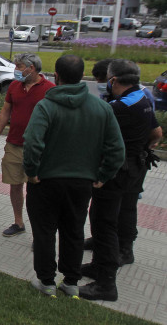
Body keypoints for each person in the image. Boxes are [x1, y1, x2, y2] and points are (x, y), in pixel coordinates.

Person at [23, 54, 125, 299]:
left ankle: (46, 282)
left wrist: (32, 171)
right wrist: (103, 175)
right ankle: (70, 282)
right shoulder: (101, 108)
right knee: (74, 231)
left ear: (56, 76)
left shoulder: (46, 107)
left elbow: (32, 143)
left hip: (45, 182)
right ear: (82, 76)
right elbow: (117, 150)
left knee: (44, 232)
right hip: (82, 184)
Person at [79, 60, 162, 301]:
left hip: (116, 172)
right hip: (134, 166)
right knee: (123, 213)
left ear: (113, 80)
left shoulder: (119, 107)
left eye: (107, 78)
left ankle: (106, 283)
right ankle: (108, 260)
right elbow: (156, 133)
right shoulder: (143, 97)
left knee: (104, 223)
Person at [0, 53, 55, 237]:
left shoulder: (49, 89)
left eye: (19, 67)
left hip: (39, 148)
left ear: (31, 68)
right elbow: (5, 111)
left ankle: (40, 231)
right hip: (14, 143)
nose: (15, 70)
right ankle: (18, 222)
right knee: (15, 184)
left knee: (38, 189)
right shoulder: (15, 86)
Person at [91, 58, 156, 110]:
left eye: (102, 80)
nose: (99, 84)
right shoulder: (107, 94)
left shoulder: (142, 95)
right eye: (97, 80)